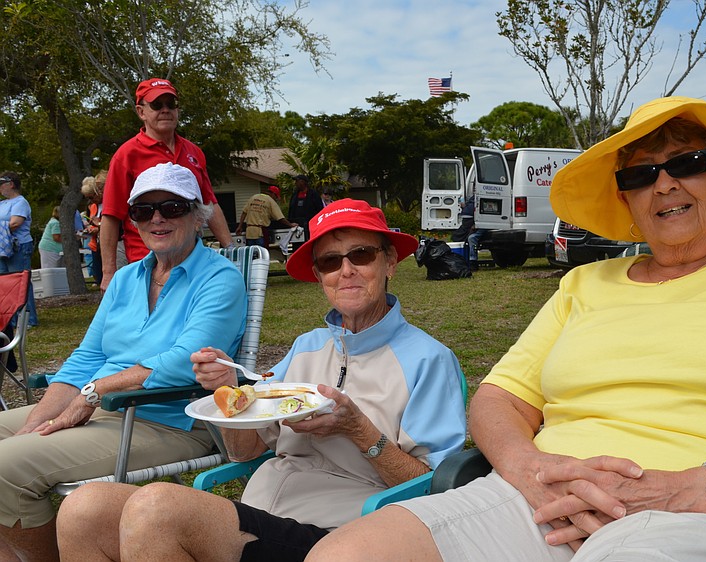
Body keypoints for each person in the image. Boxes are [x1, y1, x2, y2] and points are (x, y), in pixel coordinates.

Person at [308, 97, 706, 562]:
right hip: (545, 500)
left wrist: (698, 487)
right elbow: (499, 398)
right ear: (626, 200)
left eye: (688, 161)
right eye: (639, 174)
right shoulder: (585, 284)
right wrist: (533, 469)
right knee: (348, 553)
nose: (663, 185)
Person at [55, 198, 467, 562]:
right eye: (329, 261)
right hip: (263, 511)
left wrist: (359, 430)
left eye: (360, 255)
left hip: (342, 533)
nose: (346, 271)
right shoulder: (308, 346)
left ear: (389, 262)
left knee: (156, 509)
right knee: (84, 510)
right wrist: (226, 395)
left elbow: (435, 486)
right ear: (319, 276)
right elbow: (245, 449)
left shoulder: (428, 360)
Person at [0, 162, 247, 562]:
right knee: (15, 443)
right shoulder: (126, 279)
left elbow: (186, 362)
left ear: (198, 215)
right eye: (143, 211)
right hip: (103, 414)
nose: (157, 219)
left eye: (172, 207)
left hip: (168, 420)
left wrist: (96, 392)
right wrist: (39, 420)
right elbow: (87, 357)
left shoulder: (219, 279)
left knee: (5, 466)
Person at [99, 77, 233, 292]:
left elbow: (210, 204)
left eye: (171, 104)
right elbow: (111, 215)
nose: (165, 110)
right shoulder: (126, 155)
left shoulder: (193, 152)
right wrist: (108, 273)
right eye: (156, 105)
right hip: (147, 264)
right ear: (141, 112)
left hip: (192, 261)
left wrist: (231, 249)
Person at [0, 171, 38, 328]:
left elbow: (15, 223)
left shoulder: (21, 203)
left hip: (18, 246)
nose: (0, 188)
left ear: (11, 184)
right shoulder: (2, 204)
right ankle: (11, 319)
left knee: (21, 283)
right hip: (3, 248)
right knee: (5, 284)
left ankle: (28, 319)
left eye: (2, 184)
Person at [80, 171, 107, 285]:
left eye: (91, 197)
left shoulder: (108, 204)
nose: (90, 201)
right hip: (96, 245)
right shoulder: (93, 206)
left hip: (107, 245)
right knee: (98, 275)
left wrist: (99, 227)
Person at [288, 174, 323, 247]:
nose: (296, 183)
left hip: (310, 226)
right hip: (297, 226)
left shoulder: (313, 194)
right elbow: (291, 210)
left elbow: (320, 210)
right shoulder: (295, 195)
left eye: (297, 181)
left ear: (303, 182)